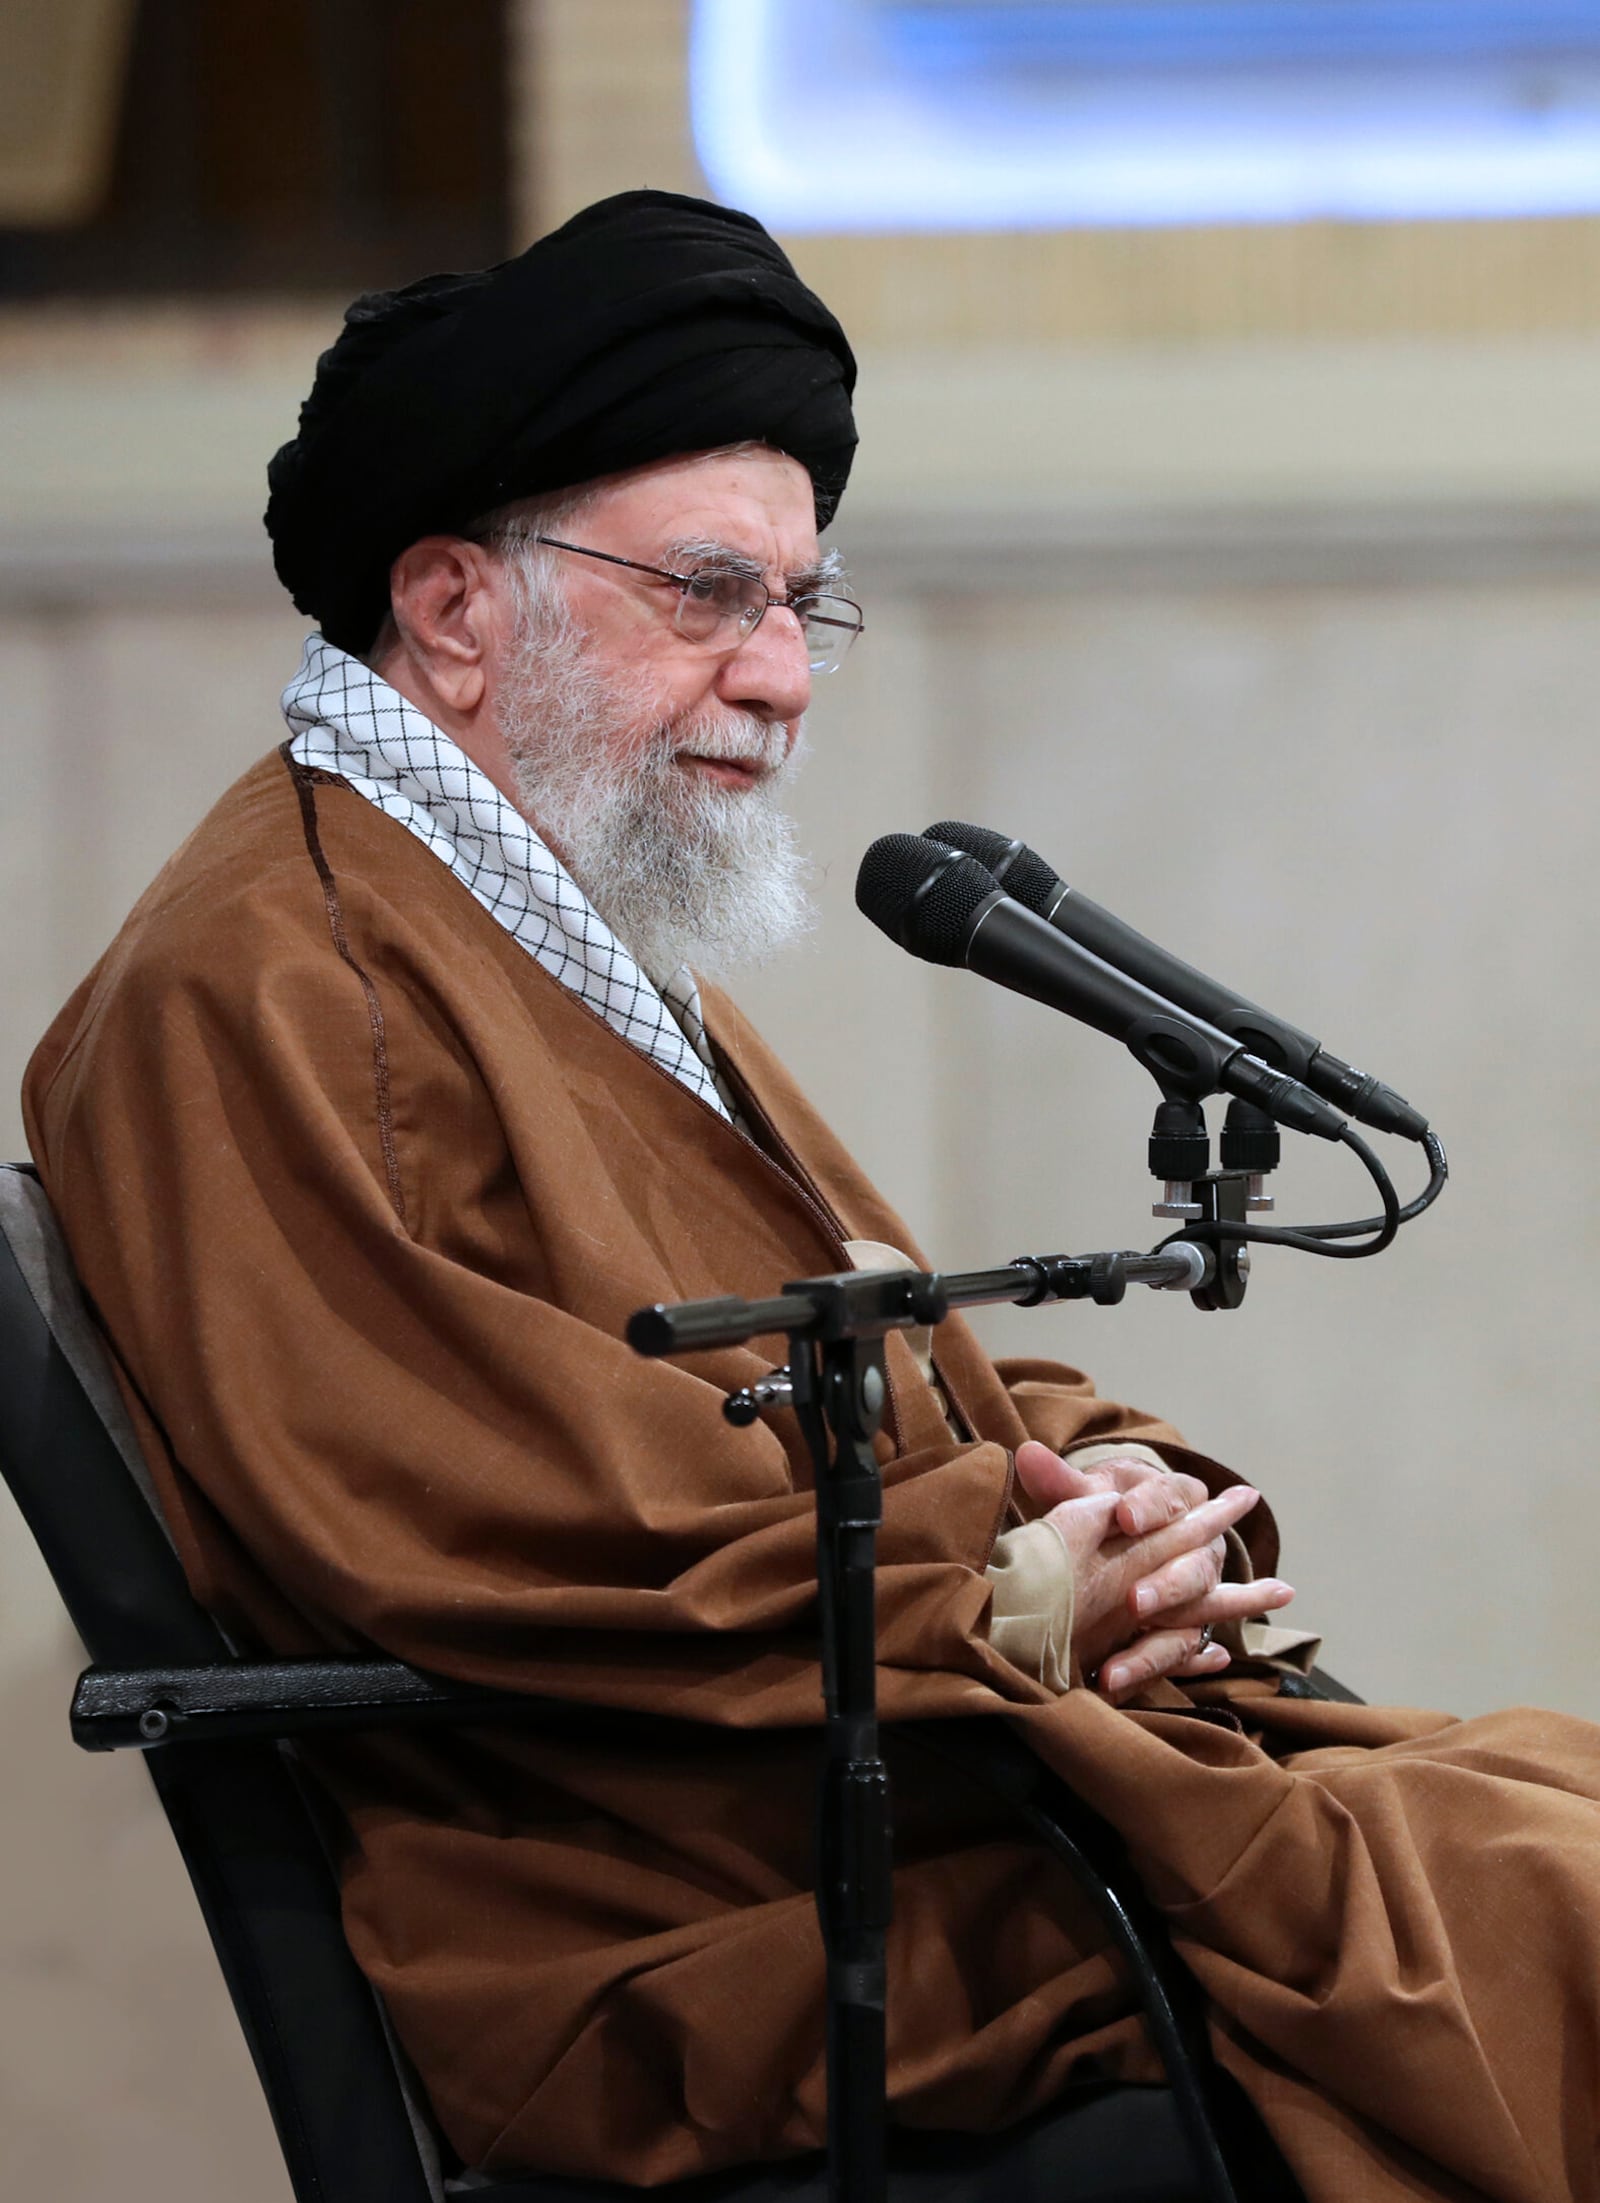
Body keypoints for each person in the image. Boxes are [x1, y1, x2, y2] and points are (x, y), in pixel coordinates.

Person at [22, 192, 1600, 2203]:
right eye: (704, 596)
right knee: (1527, 1912)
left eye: (799, 605)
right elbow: (482, 1524)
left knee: (1535, 1826)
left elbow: (859, 1355)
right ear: (450, 608)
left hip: (861, 1805)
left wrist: (1109, 1486)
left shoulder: (522, 916)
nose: (778, 676)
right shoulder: (265, 978)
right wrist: (1018, 1582)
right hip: (663, 1912)